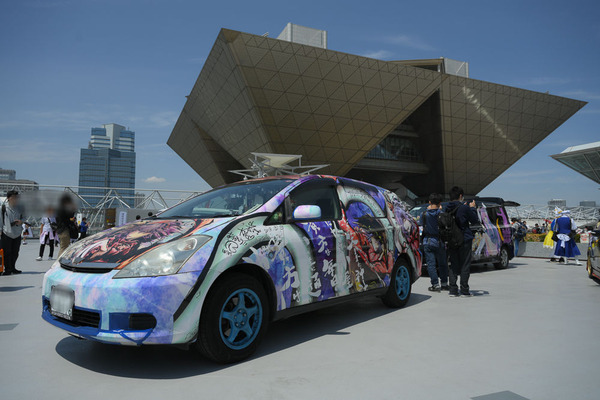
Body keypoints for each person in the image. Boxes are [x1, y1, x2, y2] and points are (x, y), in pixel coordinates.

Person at [445, 186, 478, 297]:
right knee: (465, 265)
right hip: (464, 238)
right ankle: (464, 290)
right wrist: (472, 208)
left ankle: (453, 290)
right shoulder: (464, 208)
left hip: (451, 239)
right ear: (460, 196)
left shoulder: (447, 208)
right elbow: (474, 220)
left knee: (453, 264)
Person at [420, 193, 449, 292]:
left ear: (429, 202)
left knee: (431, 264)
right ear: (440, 203)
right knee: (443, 264)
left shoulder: (424, 214)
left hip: (428, 241)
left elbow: (422, 226)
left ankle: (435, 284)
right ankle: (444, 283)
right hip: (440, 241)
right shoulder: (441, 214)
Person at [1, 190, 26, 275]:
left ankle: (13, 267)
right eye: (13, 197)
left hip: (17, 233)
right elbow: (0, 220)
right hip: (6, 232)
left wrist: (21, 221)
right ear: (8, 198)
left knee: (15, 252)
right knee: (6, 252)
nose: (15, 199)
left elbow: (24, 217)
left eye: (16, 197)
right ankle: (7, 269)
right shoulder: (3, 208)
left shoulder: (20, 208)